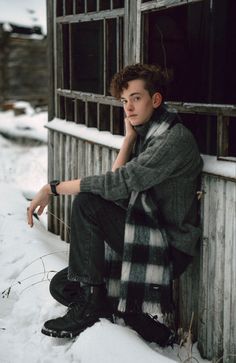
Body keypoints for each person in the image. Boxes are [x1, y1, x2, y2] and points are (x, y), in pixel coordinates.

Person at [27, 63, 203, 345]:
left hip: (167, 248)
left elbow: (116, 184)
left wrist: (53, 188)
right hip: (145, 235)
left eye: (136, 98)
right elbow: (116, 191)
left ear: (155, 99)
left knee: (87, 203)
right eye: (124, 101)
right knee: (62, 286)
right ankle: (131, 315)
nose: (128, 107)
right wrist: (129, 140)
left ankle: (90, 308)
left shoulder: (173, 140)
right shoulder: (147, 136)